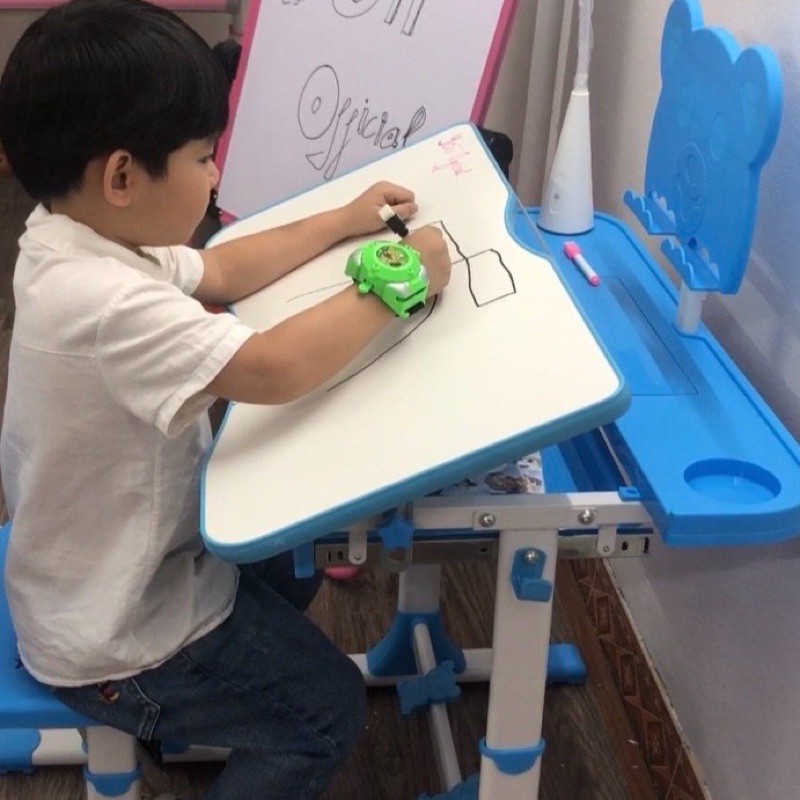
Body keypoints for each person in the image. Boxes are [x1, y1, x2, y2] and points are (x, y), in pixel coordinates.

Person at [0, 1, 451, 798]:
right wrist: (401, 278)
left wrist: (342, 220)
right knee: (325, 712)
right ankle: (185, 711)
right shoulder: (105, 302)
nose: (216, 176)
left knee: (293, 541)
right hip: (116, 638)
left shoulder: (77, 237)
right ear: (122, 177)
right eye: (205, 158)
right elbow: (274, 369)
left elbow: (224, 268)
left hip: (108, 570)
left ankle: (212, 708)